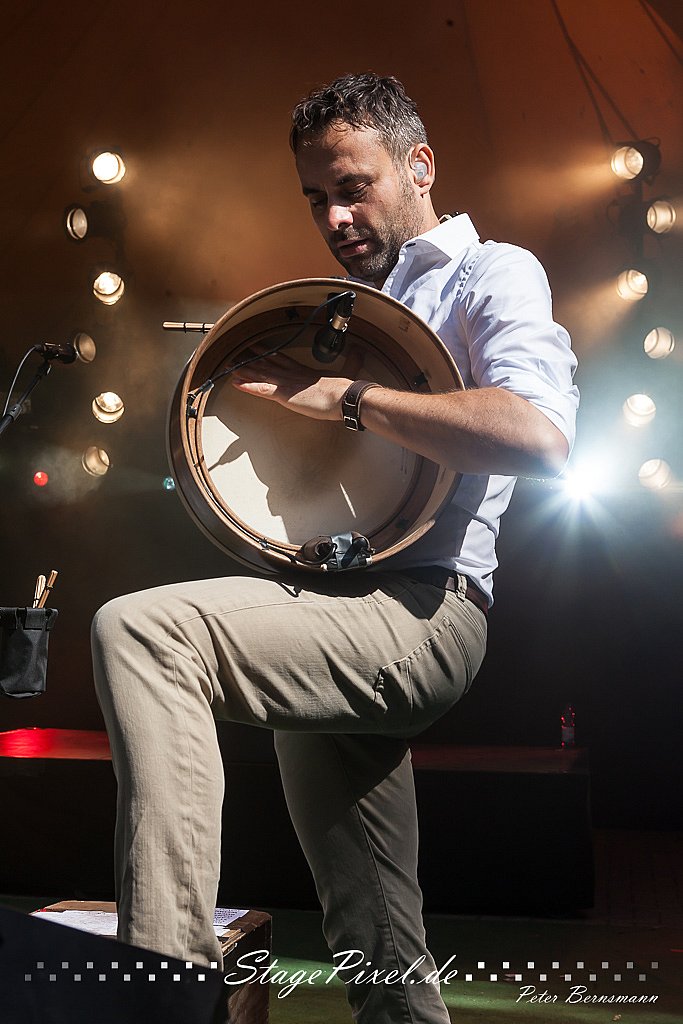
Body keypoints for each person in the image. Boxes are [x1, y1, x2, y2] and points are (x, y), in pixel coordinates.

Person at [92, 72, 579, 1024]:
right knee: (382, 949)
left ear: (419, 166)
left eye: (353, 187)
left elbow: (538, 438)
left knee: (144, 632)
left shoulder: (492, 272)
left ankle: (164, 988)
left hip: (424, 611)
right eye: (316, 198)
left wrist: (345, 398)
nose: (334, 217)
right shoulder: (355, 304)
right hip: (337, 608)